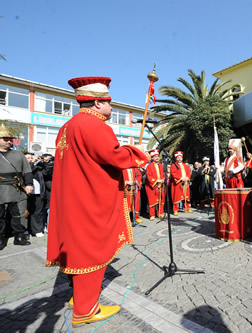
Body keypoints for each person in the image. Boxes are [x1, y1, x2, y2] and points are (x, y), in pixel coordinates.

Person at [45, 76, 150, 327]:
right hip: (90, 200)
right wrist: (138, 153)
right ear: (96, 103)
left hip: (74, 199)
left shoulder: (68, 126)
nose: (112, 108)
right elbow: (113, 156)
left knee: (77, 249)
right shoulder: (94, 126)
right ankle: (86, 310)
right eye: (108, 103)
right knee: (92, 251)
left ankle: (78, 298)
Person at [0, 124, 33, 249]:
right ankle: (1, 239)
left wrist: (29, 184)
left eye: (10, 139)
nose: (9, 141)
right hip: (0, 188)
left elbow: (27, 171)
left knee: (19, 214)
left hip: (16, 188)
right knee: (0, 216)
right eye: (5, 139)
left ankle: (19, 237)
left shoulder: (18, 154)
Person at [145, 149, 166, 220]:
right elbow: (149, 176)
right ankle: (152, 214)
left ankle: (160, 213)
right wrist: (156, 181)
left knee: (161, 199)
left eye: (157, 156)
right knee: (152, 200)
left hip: (161, 185)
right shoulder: (149, 166)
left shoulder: (161, 165)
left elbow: (163, 174)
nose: (157, 158)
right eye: (155, 156)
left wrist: (163, 179)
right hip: (153, 186)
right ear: (152, 158)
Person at [170, 151, 192, 215]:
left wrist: (187, 178)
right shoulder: (173, 165)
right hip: (178, 183)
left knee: (186, 195)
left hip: (185, 182)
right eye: (178, 157)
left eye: (180, 157)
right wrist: (181, 178)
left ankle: (187, 208)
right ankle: (175, 210)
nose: (179, 159)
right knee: (176, 196)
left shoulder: (185, 165)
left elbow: (188, 173)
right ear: (176, 158)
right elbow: (173, 174)